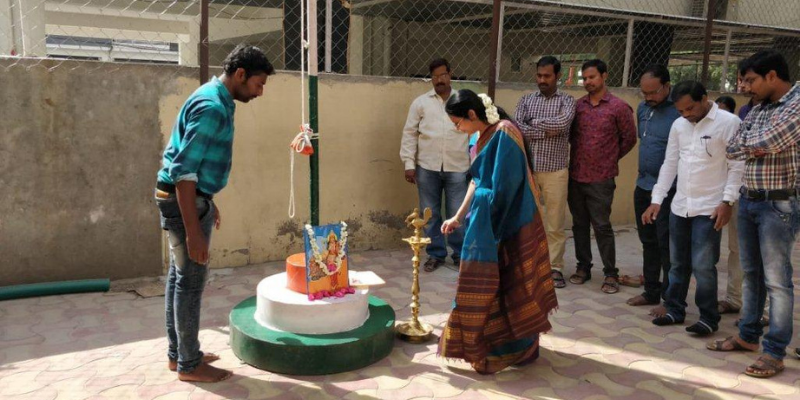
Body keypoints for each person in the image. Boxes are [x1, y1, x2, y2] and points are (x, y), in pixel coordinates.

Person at [155, 45, 274, 382]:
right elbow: (183, 171)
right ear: (240, 74)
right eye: (258, 84)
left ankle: (179, 354)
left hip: (189, 197)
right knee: (190, 282)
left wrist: (207, 199)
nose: (260, 92)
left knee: (179, 278)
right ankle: (189, 365)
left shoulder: (215, 97)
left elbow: (194, 164)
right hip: (183, 199)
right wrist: (193, 230)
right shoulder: (212, 107)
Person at [438, 89, 557, 374]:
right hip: (487, 222)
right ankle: (486, 347)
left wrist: (488, 219)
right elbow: (477, 180)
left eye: (458, 123)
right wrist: (458, 216)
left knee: (516, 283)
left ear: (471, 114)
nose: (457, 129)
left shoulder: (505, 133)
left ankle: (523, 348)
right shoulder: (475, 137)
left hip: (512, 222)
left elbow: (507, 186)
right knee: (485, 285)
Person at [709, 50, 800, 378]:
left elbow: (773, 141)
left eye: (750, 80)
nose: (745, 87)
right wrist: (755, 145)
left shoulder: (796, 103)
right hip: (748, 199)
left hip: (779, 204)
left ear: (772, 76)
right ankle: (748, 336)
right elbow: (733, 147)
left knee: (777, 281)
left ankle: (774, 351)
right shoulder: (759, 108)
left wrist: (754, 144)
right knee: (751, 274)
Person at [644, 81, 743, 336]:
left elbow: (737, 166)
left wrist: (727, 202)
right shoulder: (679, 125)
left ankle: (708, 318)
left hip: (710, 208)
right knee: (677, 263)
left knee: (703, 266)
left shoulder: (729, 123)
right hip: (680, 206)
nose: (686, 114)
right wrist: (657, 199)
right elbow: (670, 163)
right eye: (681, 111)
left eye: (690, 108)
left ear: (704, 99)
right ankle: (674, 309)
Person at [568, 59, 637, 294]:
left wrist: (609, 158)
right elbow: (571, 137)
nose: (588, 82)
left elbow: (629, 139)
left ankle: (610, 273)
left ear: (604, 76)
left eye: (592, 77)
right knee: (579, 225)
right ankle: (583, 267)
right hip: (576, 175)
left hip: (602, 178)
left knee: (602, 226)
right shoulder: (578, 107)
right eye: (584, 78)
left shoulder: (618, 107)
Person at [400, 58, 470, 272]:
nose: (439, 80)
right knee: (430, 214)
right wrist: (409, 163)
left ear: (450, 74)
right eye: (435, 76)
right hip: (427, 167)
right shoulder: (421, 103)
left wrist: (474, 163)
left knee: (457, 212)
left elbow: (474, 132)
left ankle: (459, 254)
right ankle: (435, 253)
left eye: (443, 75)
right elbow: (410, 133)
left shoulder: (462, 100)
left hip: (458, 166)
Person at [514, 56, 576, 289]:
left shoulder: (567, 101)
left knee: (554, 223)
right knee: (528, 221)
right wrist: (546, 130)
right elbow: (518, 127)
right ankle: (531, 265)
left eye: (547, 76)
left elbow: (562, 124)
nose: (542, 80)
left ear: (558, 76)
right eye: (539, 75)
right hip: (528, 170)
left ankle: (554, 267)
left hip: (555, 171)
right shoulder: (526, 99)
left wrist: (533, 123)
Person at [626, 65, 681, 316]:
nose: (648, 97)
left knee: (666, 244)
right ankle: (651, 290)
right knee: (648, 241)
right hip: (643, 185)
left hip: (669, 190)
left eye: (653, 92)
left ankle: (670, 299)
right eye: (644, 92)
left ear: (667, 86)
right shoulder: (643, 109)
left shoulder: (679, 111)